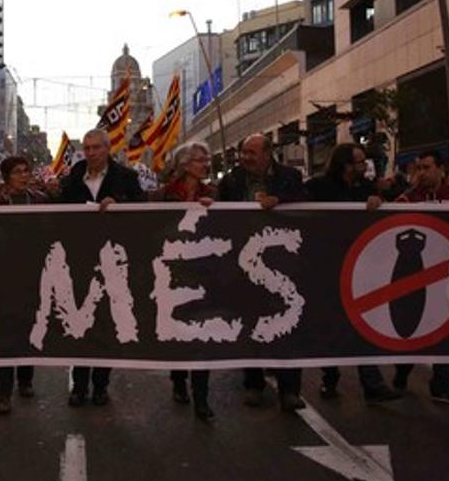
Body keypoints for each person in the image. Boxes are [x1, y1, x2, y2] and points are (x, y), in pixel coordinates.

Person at [305, 143, 403, 405]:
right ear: (346, 164)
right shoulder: (318, 187)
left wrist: (378, 200)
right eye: (359, 162)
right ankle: (330, 377)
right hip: (327, 265)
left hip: (359, 265)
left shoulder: (364, 188)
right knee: (331, 325)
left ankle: (372, 384)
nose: (363, 167)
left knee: (361, 324)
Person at [218, 134, 309, 411]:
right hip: (246, 262)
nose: (246, 157)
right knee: (251, 322)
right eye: (243, 152)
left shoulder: (289, 177)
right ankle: (254, 383)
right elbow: (220, 212)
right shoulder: (232, 181)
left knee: (287, 324)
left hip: (281, 264)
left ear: (268, 153)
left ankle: (290, 389)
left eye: (252, 152)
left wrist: (278, 199)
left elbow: (306, 201)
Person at [59, 128, 144, 408]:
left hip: (114, 261)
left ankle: (101, 386)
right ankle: (79, 385)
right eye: (87, 148)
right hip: (80, 261)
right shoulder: (72, 180)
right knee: (80, 324)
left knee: (107, 324)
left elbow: (144, 211)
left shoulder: (126, 178)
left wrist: (122, 204)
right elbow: (54, 212)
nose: (91, 153)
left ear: (108, 149)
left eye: (96, 147)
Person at [391, 150, 449, 407]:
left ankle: (442, 384)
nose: (421, 172)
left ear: (442, 170)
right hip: (415, 275)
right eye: (418, 168)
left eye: (426, 167)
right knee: (411, 326)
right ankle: (402, 372)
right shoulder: (407, 197)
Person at [148, 142, 220, 420]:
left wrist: (214, 210)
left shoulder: (213, 193)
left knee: (201, 333)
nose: (206, 164)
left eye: (206, 159)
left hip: (203, 272)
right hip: (172, 273)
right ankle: (179, 380)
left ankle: (201, 399)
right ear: (186, 164)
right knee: (178, 332)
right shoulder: (161, 196)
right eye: (201, 160)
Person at [0, 155, 45, 415]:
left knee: (28, 329)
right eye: (17, 172)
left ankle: (25, 379)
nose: (23, 175)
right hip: (4, 279)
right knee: (5, 336)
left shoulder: (40, 200)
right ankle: (3, 393)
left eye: (25, 171)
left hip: (32, 277)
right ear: (7, 177)